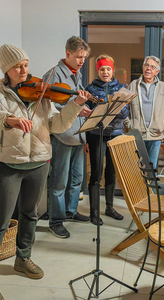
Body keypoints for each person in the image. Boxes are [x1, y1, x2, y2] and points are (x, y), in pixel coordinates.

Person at [0, 44, 90, 284]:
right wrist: (9, 120)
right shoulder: (0, 93)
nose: (24, 70)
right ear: (6, 69)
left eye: (26, 65)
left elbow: (57, 125)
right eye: (17, 66)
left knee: (30, 214)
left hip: (39, 162)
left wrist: (75, 105)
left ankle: (23, 258)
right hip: (10, 164)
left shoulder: (41, 93)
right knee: (1, 220)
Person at [43, 36, 92, 239]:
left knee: (77, 179)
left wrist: (82, 108)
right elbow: (49, 108)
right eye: (79, 57)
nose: (81, 61)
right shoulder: (53, 75)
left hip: (78, 135)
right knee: (58, 182)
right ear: (67, 54)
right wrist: (75, 109)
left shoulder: (76, 74)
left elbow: (74, 100)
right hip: (62, 135)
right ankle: (56, 220)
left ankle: (70, 211)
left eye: (84, 57)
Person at [85, 54, 128, 222]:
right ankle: (94, 213)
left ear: (113, 70)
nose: (105, 72)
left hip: (116, 135)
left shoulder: (121, 88)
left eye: (108, 69)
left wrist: (117, 109)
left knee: (111, 173)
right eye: (102, 69)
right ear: (98, 71)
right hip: (96, 135)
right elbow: (86, 116)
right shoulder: (90, 88)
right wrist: (86, 140)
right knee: (96, 173)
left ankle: (109, 208)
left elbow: (125, 112)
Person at [124, 55, 164, 170]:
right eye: (146, 65)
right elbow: (123, 107)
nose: (149, 69)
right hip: (137, 134)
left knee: (152, 169)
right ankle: (138, 189)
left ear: (157, 72)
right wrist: (129, 124)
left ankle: (151, 189)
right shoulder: (133, 85)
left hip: (155, 135)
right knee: (137, 169)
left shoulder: (163, 87)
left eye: (152, 67)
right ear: (143, 68)